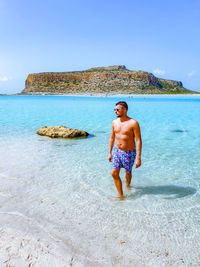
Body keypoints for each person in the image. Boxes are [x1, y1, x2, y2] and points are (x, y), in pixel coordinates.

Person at [108, 101, 142, 199]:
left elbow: (138, 140)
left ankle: (127, 185)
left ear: (125, 109)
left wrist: (138, 158)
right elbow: (112, 138)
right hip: (117, 151)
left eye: (117, 109)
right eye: (114, 110)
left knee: (128, 172)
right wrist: (109, 152)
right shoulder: (114, 123)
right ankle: (121, 195)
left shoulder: (133, 123)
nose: (115, 111)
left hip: (129, 152)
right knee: (114, 173)